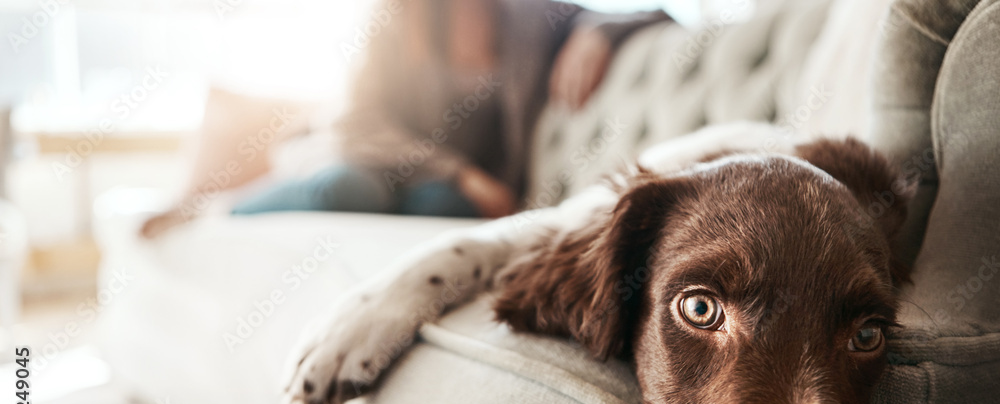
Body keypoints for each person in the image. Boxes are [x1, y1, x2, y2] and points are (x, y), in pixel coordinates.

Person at [141, 0, 669, 238]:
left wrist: (599, 35)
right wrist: (459, 172)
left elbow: (656, 13)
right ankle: (215, 212)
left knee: (444, 209)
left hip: (447, 192)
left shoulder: (531, 18)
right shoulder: (395, 17)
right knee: (351, 189)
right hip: (368, 163)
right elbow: (356, 124)